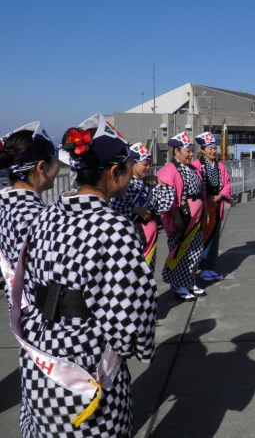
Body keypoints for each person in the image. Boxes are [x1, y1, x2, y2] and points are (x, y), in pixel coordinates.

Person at [17, 114, 157, 436]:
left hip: (40, 354)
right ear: (114, 173)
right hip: (86, 362)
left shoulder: (47, 214)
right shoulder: (115, 227)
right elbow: (132, 309)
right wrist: (139, 348)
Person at [0, 122, 59, 310]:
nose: (58, 167)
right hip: (39, 314)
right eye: (54, 161)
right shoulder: (34, 216)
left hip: (18, 306)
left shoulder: (6, 203)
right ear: (42, 168)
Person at [157, 132, 207, 301]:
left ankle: (189, 280)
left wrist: (204, 210)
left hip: (195, 218)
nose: (191, 155)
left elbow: (202, 192)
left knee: (195, 250)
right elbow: (168, 198)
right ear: (177, 152)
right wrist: (177, 217)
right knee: (180, 251)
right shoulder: (167, 171)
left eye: (192, 151)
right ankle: (179, 285)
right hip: (180, 218)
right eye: (188, 152)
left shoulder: (193, 168)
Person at [110, 143, 175, 269]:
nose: (148, 167)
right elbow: (115, 207)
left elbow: (163, 204)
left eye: (149, 164)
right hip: (135, 232)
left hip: (150, 232)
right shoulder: (125, 184)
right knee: (138, 267)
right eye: (145, 164)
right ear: (132, 164)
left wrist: (155, 181)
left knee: (148, 267)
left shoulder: (144, 183)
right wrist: (134, 210)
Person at [191, 132, 232, 282]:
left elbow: (227, 184)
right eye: (210, 148)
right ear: (203, 150)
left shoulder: (220, 166)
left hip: (215, 204)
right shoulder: (196, 166)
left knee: (214, 237)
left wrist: (218, 197)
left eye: (215, 148)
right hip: (202, 208)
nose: (213, 151)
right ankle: (198, 270)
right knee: (199, 239)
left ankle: (210, 269)